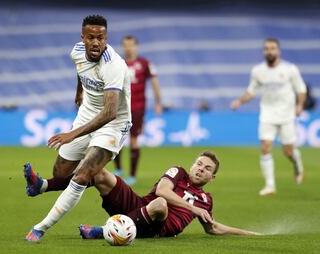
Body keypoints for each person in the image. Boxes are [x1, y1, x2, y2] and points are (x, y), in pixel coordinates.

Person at [24, 14, 131, 242]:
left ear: (106, 38)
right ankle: (42, 185)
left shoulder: (114, 65)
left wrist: (72, 134)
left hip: (113, 125)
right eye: (90, 37)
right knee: (61, 172)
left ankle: (40, 228)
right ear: (82, 38)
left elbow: (110, 112)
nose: (95, 42)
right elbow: (81, 71)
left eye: (100, 38)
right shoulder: (77, 52)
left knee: (82, 176)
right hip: (87, 115)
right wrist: (79, 91)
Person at [77, 151, 261, 238]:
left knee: (160, 205)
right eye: (198, 164)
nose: (200, 169)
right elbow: (162, 191)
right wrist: (192, 209)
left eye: (207, 169)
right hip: (141, 207)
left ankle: (102, 231)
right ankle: (49, 185)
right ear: (192, 165)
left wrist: (249, 233)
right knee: (100, 172)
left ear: (212, 177)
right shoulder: (178, 172)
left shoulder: (206, 200)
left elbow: (212, 228)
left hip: (160, 227)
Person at [230, 38, 306, 196]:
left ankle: (297, 163)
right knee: (265, 147)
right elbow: (251, 91)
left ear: (278, 51)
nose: (269, 51)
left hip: (286, 114)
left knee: (288, 152)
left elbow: (301, 89)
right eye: (266, 49)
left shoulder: (290, 69)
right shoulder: (258, 71)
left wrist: (299, 105)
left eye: (272, 48)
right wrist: (239, 101)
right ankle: (270, 185)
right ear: (263, 51)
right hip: (267, 114)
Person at [113, 35, 163, 185]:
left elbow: (154, 81)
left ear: (136, 46)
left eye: (131, 45)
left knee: (134, 140)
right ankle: (118, 170)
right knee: (116, 138)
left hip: (137, 107)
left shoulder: (145, 63)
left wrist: (158, 101)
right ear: (122, 47)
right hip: (119, 106)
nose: (129, 47)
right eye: (126, 45)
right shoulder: (117, 63)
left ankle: (132, 175)